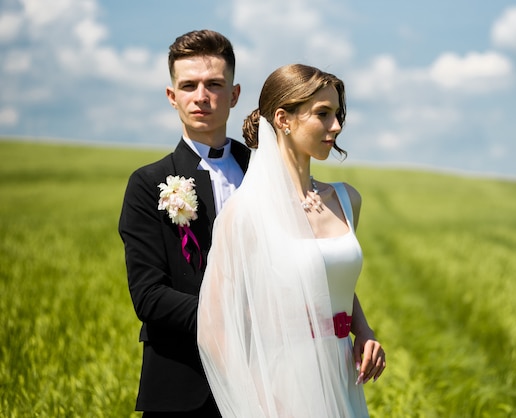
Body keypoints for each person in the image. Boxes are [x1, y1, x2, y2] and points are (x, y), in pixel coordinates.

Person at [197, 63, 386, 417]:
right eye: (323, 114)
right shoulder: (245, 213)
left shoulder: (346, 200)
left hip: (343, 375)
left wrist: (364, 331)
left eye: (337, 114)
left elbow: (327, 277)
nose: (337, 126)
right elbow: (214, 329)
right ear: (283, 119)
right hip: (284, 386)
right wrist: (260, 401)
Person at [118, 29, 250, 416]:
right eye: (189, 85)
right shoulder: (148, 183)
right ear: (172, 96)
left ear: (235, 95)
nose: (202, 96)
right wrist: (232, 319)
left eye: (214, 84)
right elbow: (148, 295)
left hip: (264, 381)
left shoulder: (264, 172)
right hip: (181, 384)